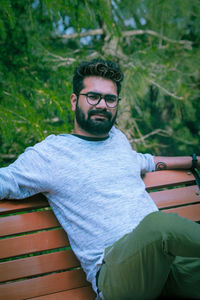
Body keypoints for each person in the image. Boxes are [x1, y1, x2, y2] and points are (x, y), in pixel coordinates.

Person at [0, 59, 200, 300]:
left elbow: (145, 161)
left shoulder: (118, 140)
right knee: (159, 226)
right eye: (93, 97)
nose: (102, 105)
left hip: (165, 265)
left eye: (109, 99)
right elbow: (6, 180)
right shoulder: (51, 154)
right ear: (75, 101)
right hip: (117, 275)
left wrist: (193, 160)